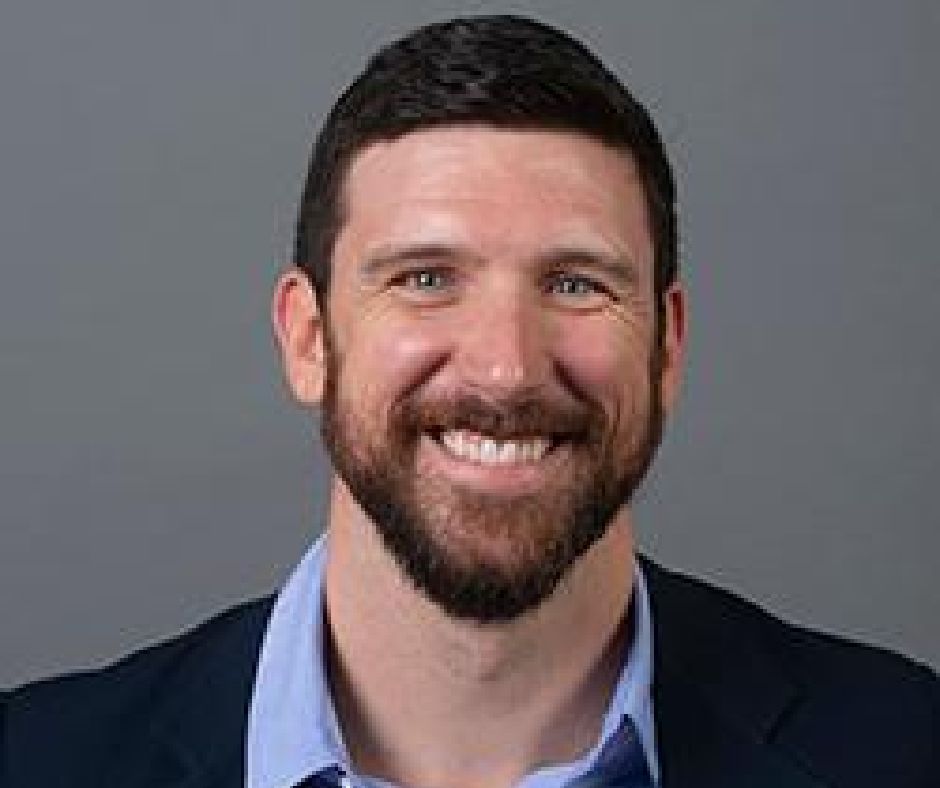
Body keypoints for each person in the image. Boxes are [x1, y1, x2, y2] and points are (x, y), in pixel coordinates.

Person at [2, 14, 936, 788]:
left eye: (576, 284)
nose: (505, 371)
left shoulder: (906, 750)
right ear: (309, 338)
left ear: (667, 348)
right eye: (425, 278)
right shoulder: (37, 761)